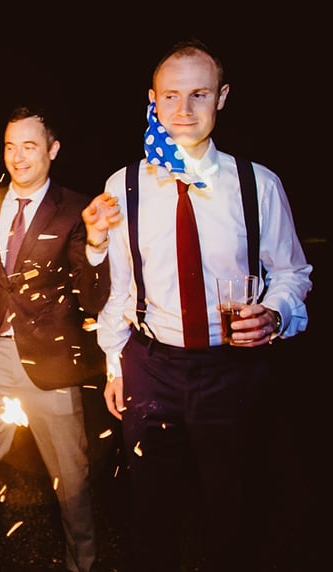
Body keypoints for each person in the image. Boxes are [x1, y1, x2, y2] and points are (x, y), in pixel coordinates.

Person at [97, 39, 313, 572]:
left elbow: (293, 273)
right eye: (171, 96)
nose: (184, 110)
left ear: (222, 97)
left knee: (233, 511)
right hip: (151, 368)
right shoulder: (124, 186)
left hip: (232, 370)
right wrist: (115, 366)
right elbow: (120, 288)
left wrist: (276, 314)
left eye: (199, 94)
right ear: (152, 100)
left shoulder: (258, 184)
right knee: (149, 515)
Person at [0, 104, 121, 572]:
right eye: (10, 147)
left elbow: (94, 298)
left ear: (52, 150)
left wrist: (97, 242)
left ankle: (82, 564)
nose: (17, 158)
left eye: (29, 146)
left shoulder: (75, 210)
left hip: (52, 363)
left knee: (72, 482)